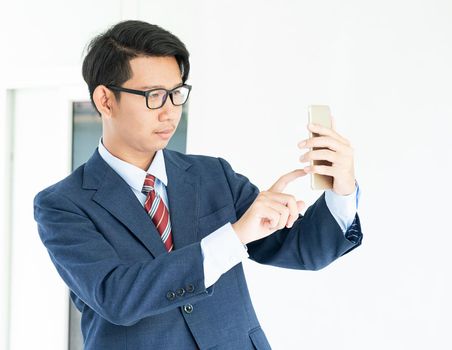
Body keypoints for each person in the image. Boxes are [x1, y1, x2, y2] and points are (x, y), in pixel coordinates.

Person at [33, 20, 363, 350]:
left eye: (176, 94)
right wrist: (234, 237)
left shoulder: (212, 175)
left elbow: (305, 249)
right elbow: (117, 297)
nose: (169, 112)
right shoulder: (62, 204)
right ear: (106, 100)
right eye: (154, 96)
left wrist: (342, 188)